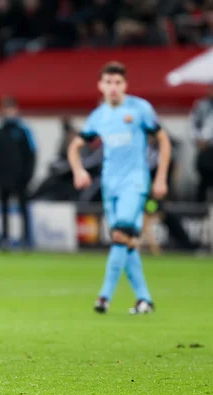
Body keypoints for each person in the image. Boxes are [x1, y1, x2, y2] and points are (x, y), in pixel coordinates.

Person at [68, 61, 171, 315]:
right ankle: (144, 300)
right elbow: (74, 147)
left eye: (118, 83)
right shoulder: (99, 116)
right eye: (109, 82)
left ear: (125, 84)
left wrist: (160, 178)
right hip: (110, 185)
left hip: (134, 183)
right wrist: (79, 170)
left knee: (119, 236)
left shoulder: (139, 109)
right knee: (127, 242)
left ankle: (104, 297)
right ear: (100, 86)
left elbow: (163, 139)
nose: (113, 87)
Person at [0, 97, 36, 248]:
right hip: (3, 179)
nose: (9, 112)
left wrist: (28, 176)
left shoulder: (23, 131)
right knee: (3, 210)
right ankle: (4, 239)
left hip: (21, 179)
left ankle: (26, 239)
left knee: (23, 209)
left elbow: (31, 155)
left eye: (11, 108)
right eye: (6, 109)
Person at [189, 83, 213, 202]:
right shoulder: (202, 105)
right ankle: (200, 211)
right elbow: (193, 124)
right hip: (207, 147)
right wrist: (198, 140)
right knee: (204, 178)